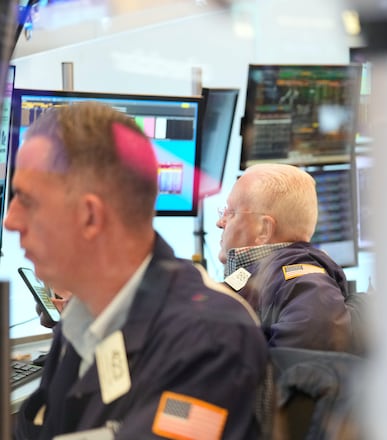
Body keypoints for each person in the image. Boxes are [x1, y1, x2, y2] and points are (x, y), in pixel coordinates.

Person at [6, 101, 268, 439]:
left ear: (90, 216)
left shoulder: (210, 340)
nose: (11, 220)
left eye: (26, 200)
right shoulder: (81, 316)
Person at [217, 163, 353, 352]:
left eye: (230, 212)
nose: (220, 222)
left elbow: (305, 368)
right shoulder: (268, 278)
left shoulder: (300, 280)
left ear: (263, 229)